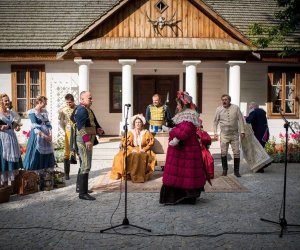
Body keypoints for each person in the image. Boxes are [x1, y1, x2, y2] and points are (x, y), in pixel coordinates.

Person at [159, 91, 206, 205]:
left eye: (179, 104)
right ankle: (181, 195)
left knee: (185, 172)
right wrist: (172, 130)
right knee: (179, 172)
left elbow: (185, 130)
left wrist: (172, 132)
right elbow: (181, 128)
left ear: (184, 104)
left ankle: (184, 195)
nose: (177, 106)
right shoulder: (184, 115)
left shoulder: (189, 115)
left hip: (186, 149)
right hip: (182, 149)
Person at [73, 91, 104, 200]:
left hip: (88, 138)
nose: (92, 100)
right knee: (86, 165)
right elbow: (80, 127)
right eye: (89, 98)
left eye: (91, 98)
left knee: (85, 164)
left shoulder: (87, 109)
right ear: (82, 99)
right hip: (83, 140)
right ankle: (82, 193)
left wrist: (97, 129)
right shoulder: (81, 109)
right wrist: (86, 140)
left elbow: (91, 122)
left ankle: (81, 188)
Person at [110, 114, 156, 183]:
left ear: (142, 124)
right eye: (136, 122)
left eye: (139, 122)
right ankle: (125, 173)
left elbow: (151, 143)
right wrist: (132, 149)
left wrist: (144, 149)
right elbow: (126, 143)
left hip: (143, 149)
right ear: (134, 124)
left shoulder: (146, 132)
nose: (138, 124)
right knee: (119, 156)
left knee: (139, 156)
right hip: (131, 148)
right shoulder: (130, 132)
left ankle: (137, 176)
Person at [213, 94, 245, 177]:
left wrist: (242, 131)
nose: (224, 101)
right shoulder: (218, 109)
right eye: (223, 99)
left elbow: (241, 120)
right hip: (224, 135)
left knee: (236, 152)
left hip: (234, 134)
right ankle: (225, 170)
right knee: (223, 152)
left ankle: (236, 171)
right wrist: (215, 133)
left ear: (229, 100)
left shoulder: (236, 108)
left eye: (226, 99)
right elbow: (215, 122)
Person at [23, 96, 56, 172]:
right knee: (36, 154)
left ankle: (46, 174)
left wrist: (50, 135)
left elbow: (48, 124)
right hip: (37, 136)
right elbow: (35, 127)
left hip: (46, 135)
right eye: (45, 102)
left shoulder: (44, 111)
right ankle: (36, 175)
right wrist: (44, 136)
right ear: (40, 102)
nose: (46, 104)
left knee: (47, 154)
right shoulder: (32, 112)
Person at [242, 102, 272, 173]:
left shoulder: (254, 111)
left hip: (259, 133)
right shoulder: (262, 111)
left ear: (253, 107)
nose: (249, 109)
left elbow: (249, 120)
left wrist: (243, 118)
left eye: (250, 107)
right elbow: (255, 119)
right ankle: (263, 164)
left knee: (258, 149)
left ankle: (263, 165)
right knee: (261, 148)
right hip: (265, 132)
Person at [0, 94, 23, 187]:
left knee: (12, 161)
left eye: (8, 100)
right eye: (5, 100)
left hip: (12, 138)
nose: (7, 102)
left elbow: (16, 124)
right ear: (1, 102)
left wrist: (17, 127)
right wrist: (2, 127)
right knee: (3, 160)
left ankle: (13, 187)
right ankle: (4, 184)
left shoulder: (11, 113)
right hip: (2, 139)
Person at [58, 94, 77, 180]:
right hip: (68, 131)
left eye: (70, 102)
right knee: (67, 151)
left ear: (73, 101)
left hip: (78, 131)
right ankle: (66, 173)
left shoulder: (78, 108)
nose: (68, 104)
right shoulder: (63, 110)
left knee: (78, 150)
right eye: (67, 102)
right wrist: (66, 129)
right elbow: (61, 122)